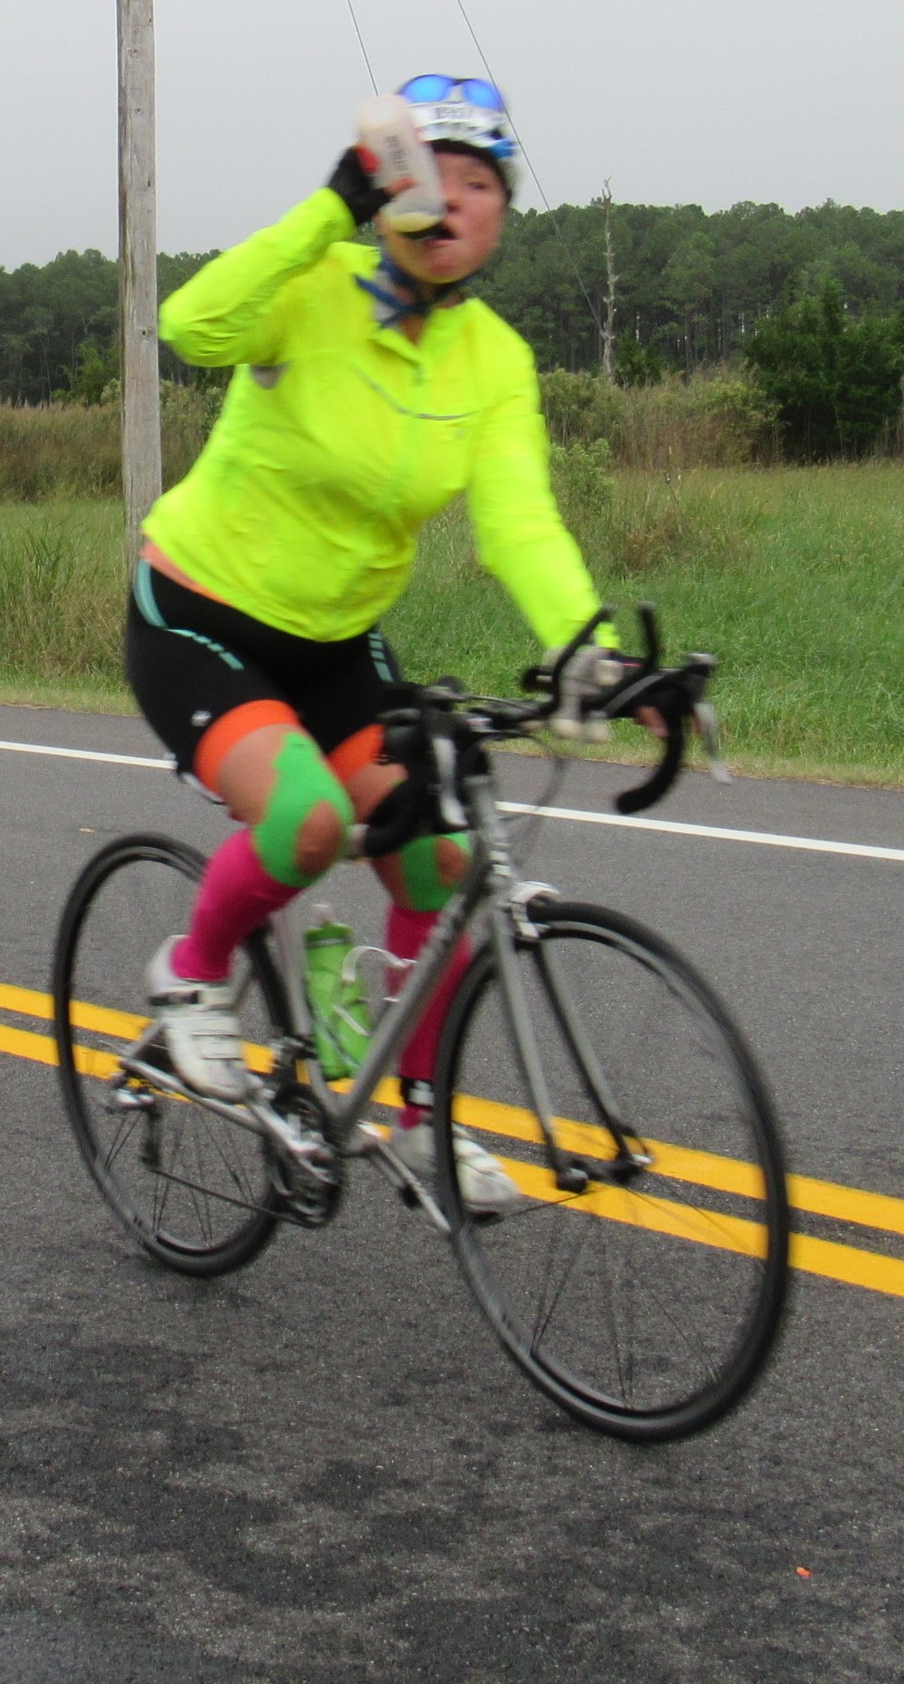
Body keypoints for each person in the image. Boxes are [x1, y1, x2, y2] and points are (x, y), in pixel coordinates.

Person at [126, 74, 634, 1210]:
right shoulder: (312, 288)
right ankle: (191, 973)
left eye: (479, 183)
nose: (452, 200)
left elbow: (519, 522)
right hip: (199, 614)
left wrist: (588, 649)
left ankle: (418, 1119)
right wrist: (329, 207)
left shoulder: (492, 359)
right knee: (308, 823)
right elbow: (190, 325)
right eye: (430, 174)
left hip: (336, 646)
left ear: (503, 214)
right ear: (389, 185)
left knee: (437, 854)